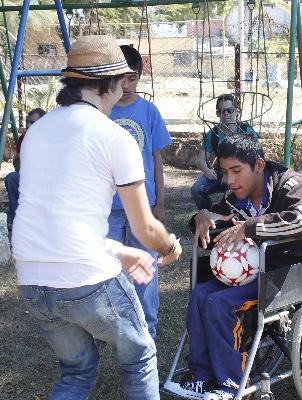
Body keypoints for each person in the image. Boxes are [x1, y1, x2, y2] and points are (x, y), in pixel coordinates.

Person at [11, 35, 182, 400]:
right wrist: (169, 245)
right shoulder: (112, 136)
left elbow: (59, 220)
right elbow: (145, 227)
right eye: (122, 79)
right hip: (84, 277)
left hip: (30, 277)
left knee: (76, 370)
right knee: (139, 356)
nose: (125, 87)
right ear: (110, 83)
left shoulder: (37, 132)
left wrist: (120, 252)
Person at [165, 135, 302, 400]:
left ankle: (230, 385)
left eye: (236, 171)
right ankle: (202, 378)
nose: (230, 180)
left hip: (283, 273)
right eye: (225, 172)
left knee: (218, 303)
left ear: (259, 165)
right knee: (201, 295)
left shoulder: (290, 185)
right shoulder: (235, 197)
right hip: (248, 272)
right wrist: (200, 218)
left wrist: (251, 226)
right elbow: (215, 224)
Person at [107, 44, 172, 339]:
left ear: (139, 77)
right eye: (121, 79)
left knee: (145, 266)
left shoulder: (148, 111)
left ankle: (148, 329)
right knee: (107, 267)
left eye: (132, 78)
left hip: (142, 206)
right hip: (106, 206)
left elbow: (157, 159)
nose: (127, 86)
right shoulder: (100, 113)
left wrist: (159, 202)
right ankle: (113, 327)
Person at [191, 93, 258, 210]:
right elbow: (200, 160)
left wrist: (231, 174)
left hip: (241, 172)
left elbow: (257, 155)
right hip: (220, 172)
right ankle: (209, 215)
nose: (226, 114)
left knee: (232, 191)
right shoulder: (213, 133)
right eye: (222, 111)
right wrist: (206, 169)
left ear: (236, 112)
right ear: (218, 114)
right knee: (197, 189)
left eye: (229, 110)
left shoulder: (246, 130)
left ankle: (231, 217)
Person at [4, 107, 46, 233]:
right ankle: (17, 220)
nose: (28, 125)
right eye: (27, 122)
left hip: (49, 178)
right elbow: (17, 167)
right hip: (29, 175)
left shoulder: (52, 137)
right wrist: (19, 157)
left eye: (32, 122)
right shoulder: (24, 138)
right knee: (12, 178)